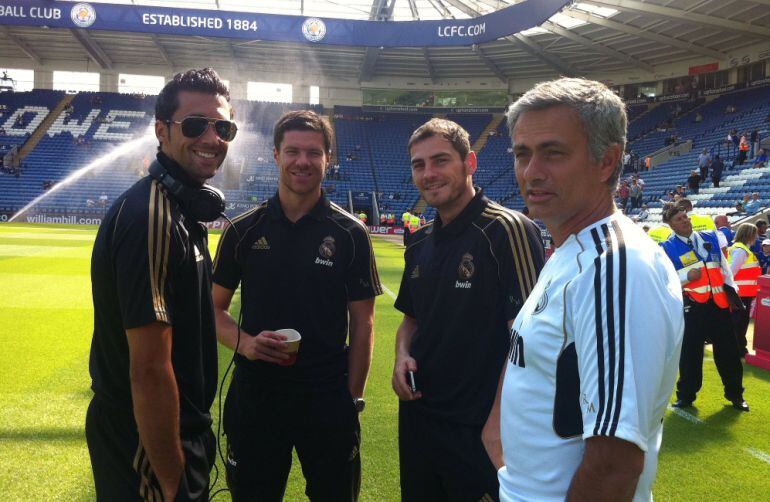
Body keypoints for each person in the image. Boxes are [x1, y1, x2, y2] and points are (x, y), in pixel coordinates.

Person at [493, 78, 684, 501]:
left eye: (553, 153)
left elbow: (615, 463)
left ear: (606, 161)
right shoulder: (571, 249)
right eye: (522, 154)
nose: (531, 171)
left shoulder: (614, 266)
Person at [212, 110, 381, 501]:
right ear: (276, 155)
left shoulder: (350, 234)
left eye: (313, 152)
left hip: (326, 400)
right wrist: (247, 344)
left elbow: (364, 324)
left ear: (328, 159)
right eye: (293, 151)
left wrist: (351, 398)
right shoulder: (243, 230)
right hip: (256, 397)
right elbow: (213, 310)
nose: (302, 161)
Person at [86, 68, 236, 500]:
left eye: (222, 127)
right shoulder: (152, 218)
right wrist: (171, 481)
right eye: (194, 125)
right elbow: (149, 370)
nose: (211, 138)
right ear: (161, 130)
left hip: (173, 432)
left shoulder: (181, 209)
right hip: (149, 442)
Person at [392, 118, 544, 501]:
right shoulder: (419, 242)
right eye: (419, 165)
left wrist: (496, 426)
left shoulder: (507, 230)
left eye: (440, 160)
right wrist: (401, 356)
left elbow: (532, 342)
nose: (429, 174)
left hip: (477, 430)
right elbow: (411, 321)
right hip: (419, 420)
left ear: (470, 163)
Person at [660, 206, 749, 411]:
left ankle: (736, 395)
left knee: (729, 352)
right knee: (690, 353)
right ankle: (686, 396)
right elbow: (663, 280)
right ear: (670, 225)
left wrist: (732, 293)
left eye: (685, 217)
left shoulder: (711, 237)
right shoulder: (666, 247)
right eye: (679, 219)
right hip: (692, 308)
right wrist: (684, 277)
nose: (685, 220)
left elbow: (724, 269)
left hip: (719, 305)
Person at [728, 223, 760, 357]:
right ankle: (738, 348)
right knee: (739, 323)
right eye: (755, 234)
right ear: (749, 235)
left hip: (742, 292)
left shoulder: (741, 249)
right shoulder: (741, 250)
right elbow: (731, 272)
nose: (756, 237)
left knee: (740, 322)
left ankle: (738, 347)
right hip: (740, 293)